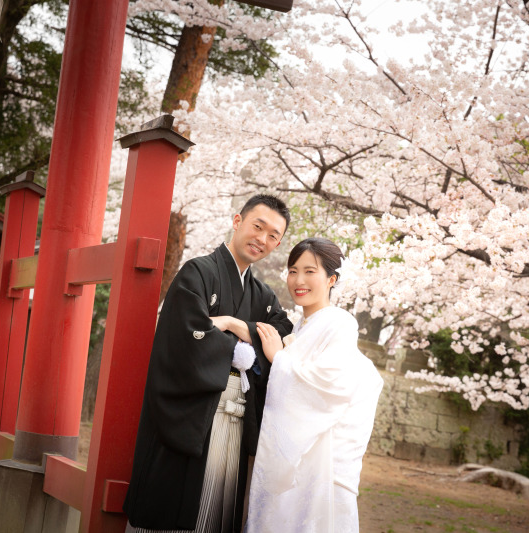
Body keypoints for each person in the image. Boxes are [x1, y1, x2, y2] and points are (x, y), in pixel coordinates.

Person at [124, 195, 295, 533]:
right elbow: (185, 333)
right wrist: (240, 350)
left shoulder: (262, 294)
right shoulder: (198, 272)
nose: (263, 239)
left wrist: (231, 324)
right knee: (174, 510)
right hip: (193, 416)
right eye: (257, 227)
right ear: (237, 221)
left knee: (219, 508)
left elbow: (283, 332)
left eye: (274, 235)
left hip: (235, 420)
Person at [247, 238, 384, 533]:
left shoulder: (339, 322)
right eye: (293, 271)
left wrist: (278, 358)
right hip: (299, 452)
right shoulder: (300, 326)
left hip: (323, 457)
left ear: (331, 279)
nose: (298, 280)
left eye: (310, 272)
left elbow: (328, 385)